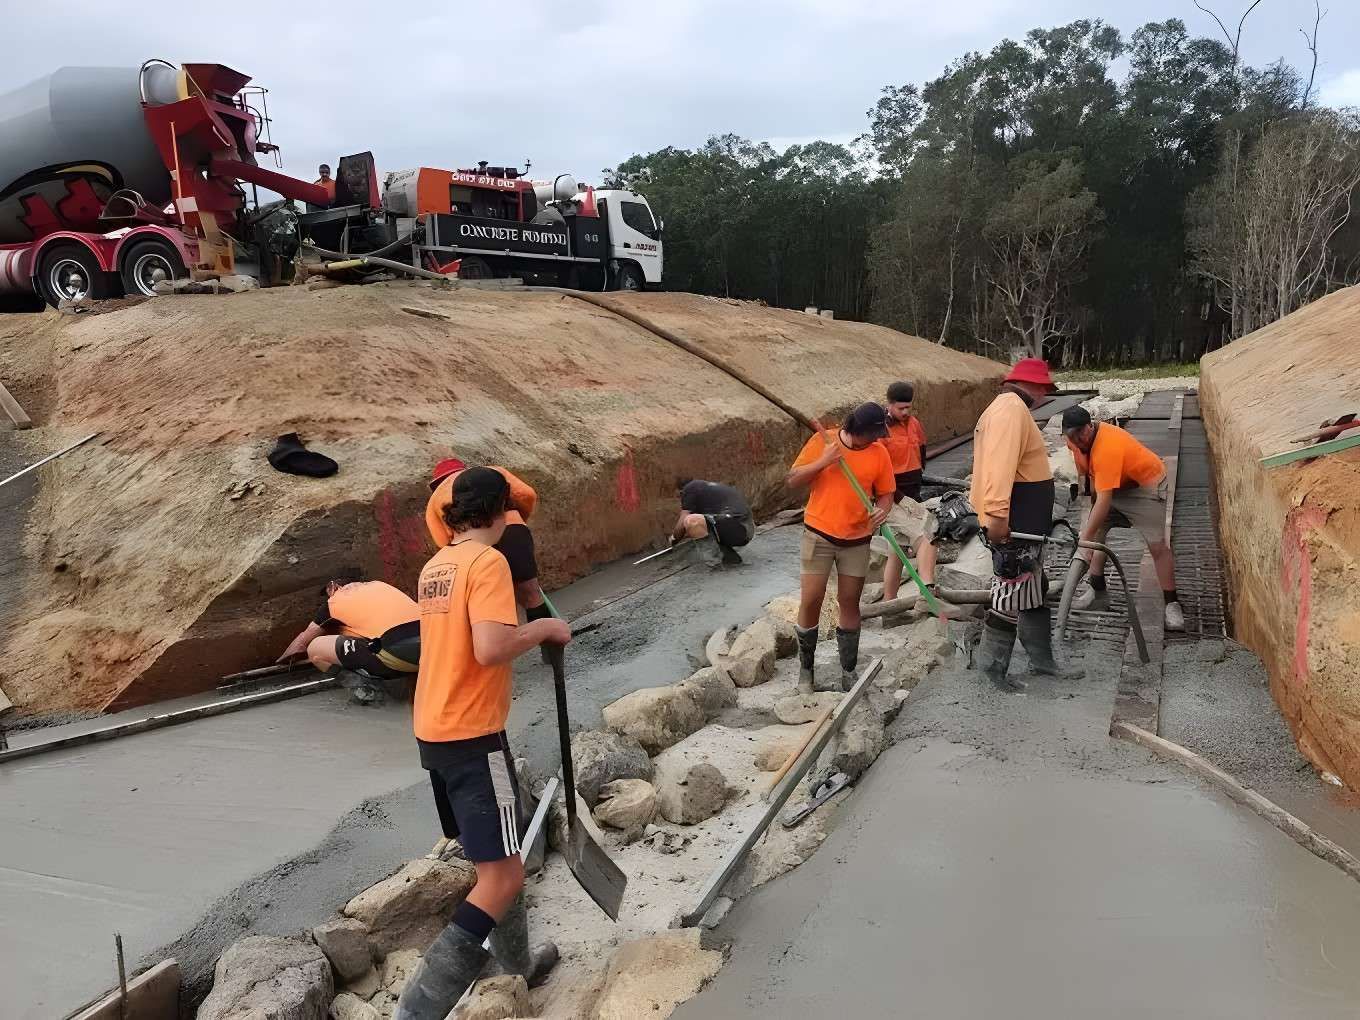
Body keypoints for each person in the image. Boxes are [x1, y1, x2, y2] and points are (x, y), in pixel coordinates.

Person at [396, 468, 571, 1020]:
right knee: (503, 875)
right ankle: (418, 1010)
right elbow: (492, 646)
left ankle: (514, 964)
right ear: (499, 511)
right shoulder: (488, 562)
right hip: (475, 737)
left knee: (504, 845)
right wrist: (545, 629)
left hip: (435, 728)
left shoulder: (436, 566)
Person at [970, 358, 1082, 692]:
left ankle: (1042, 661)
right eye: (1045, 389)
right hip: (1014, 520)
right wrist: (998, 516)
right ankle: (992, 670)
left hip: (1024, 521)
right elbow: (1000, 467)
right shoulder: (1010, 411)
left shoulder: (1006, 409)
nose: (1045, 396)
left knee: (1033, 587)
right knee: (1010, 590)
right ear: (1033, 385)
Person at [786, 403, 895, 693]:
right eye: (872, 434)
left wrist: (882, 511)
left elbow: (886, 494)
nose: (877, 439)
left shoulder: (879, 453)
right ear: (855, 430)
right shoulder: (824, 441)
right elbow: (793, 480)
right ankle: (806, 672)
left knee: (849, 601)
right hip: (818, 534)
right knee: (811, 599)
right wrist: (823, 461)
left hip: (857, 539)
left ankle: (848, 670)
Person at [1061, 405, 1184, 631]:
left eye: (1083, 432)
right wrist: (1087, 523)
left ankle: (1172, 603)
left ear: (1091, 425)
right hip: (1113, 486)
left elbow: (1104, 500)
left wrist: (1083, 540)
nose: (1080, 439)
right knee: (1096, 533)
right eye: (1074, 436)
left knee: (1157, 545)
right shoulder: (1074, 443)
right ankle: (1098, 592)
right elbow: (1087, 478)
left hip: (1146, 485)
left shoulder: (1107, 447)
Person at [426, 458, 548, 622]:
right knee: (532, 594)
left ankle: (514, 638)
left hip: (472, 548)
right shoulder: (493, 472)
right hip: (511, 529)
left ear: (435, 484)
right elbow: (527, 494)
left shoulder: (435, 499)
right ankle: (551, 640)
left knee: (497, 601)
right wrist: (516, 518)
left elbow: (442, 540)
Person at [276, 577, 420, 704]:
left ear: (334, 587)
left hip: (396, 658)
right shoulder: (380, 586)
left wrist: (282, 661)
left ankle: (366, 689)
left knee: (315, 648)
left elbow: (301, 643)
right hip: (431, 656)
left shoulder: (335, 601)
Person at [878, 381, 939, 604]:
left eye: (908, 408)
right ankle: (928, 594)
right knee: (927, 534)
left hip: (913, 489)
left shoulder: (914, 424)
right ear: (889, 404)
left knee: (898, 552)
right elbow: (878, 472)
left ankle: (889, 605)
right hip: (893, 494)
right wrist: (898, 497)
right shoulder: (881, 430)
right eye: (900, 408)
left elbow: (921, 448)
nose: (905, 412)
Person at [671, 478, 754, 565]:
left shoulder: (690, 488)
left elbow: (683, 521)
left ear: (681, 491)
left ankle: (715, 562)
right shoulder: (709, 489)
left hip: (737, 527)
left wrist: (673, 539)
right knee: (705, 523)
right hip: (746, 529)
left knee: (691, 520)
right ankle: (729, 557)